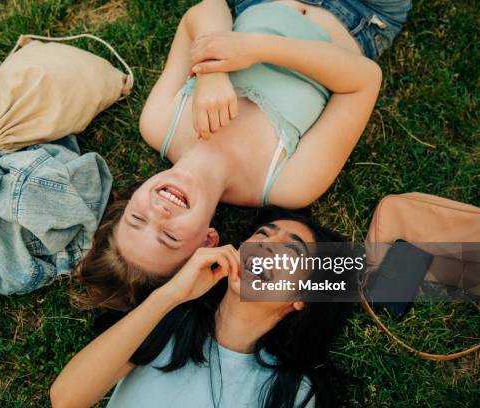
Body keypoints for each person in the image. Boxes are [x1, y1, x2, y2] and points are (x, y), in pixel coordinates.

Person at [74, 0, 412, 311]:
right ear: (208, 240)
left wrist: (212, 72)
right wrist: (255, 48)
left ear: (131, 199)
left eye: (137, 220)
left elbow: (206, 9)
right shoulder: (286, 185)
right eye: (169, 237)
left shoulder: (160, 123)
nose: (159, 215)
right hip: (359, 15)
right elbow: (365, 79)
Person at [52, 208, 353, 407]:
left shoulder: (293, 392)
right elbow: (66, 399)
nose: (267, 245)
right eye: (263, 234)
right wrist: (170, 295)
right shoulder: (166, 321)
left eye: (291, 249)